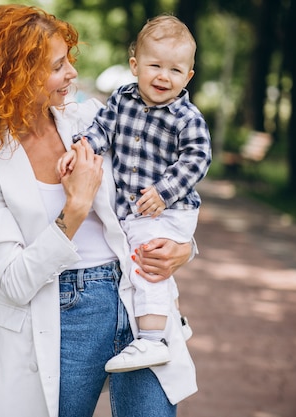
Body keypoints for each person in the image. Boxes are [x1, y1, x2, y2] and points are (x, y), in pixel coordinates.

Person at [0, 5, 197, 417]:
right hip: (62, 315)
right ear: (17, 76)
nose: (72, 73)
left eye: (68, 61)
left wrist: (183, 247)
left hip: (134, 300)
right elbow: (13, 281)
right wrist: (73, 210)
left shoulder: (89, 117)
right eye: (58, 66)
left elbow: (151, 186)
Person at [57, 15, 211, 374]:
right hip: (139, 210)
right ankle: (172, 319)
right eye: (155, 65)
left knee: (145, 265)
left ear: (188, 76)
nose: (163, 76)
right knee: (137, 258)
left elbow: (198, 158)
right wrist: (79, 149)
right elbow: (101, 132)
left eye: (175, 70)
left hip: (170, 207)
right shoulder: (121, 101)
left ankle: (152, 341)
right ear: (135, 65)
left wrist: (164, 191)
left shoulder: (186, 117)